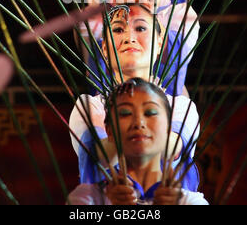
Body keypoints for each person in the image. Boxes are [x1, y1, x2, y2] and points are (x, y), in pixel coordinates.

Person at [69, 4, 200, 190]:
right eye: (118, 29)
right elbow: (98, 156)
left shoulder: (181, 107)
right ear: (105, 49)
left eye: (140, 28)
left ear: (159, 44)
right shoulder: (88, 107)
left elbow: (172, 148)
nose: (129, 38)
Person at [68, 78, 208, 205]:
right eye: (125, 113)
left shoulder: (190, 202)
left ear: (168, 128)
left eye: (150, 113)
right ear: (109, 130)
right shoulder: (85, 200)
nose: (138, 122)